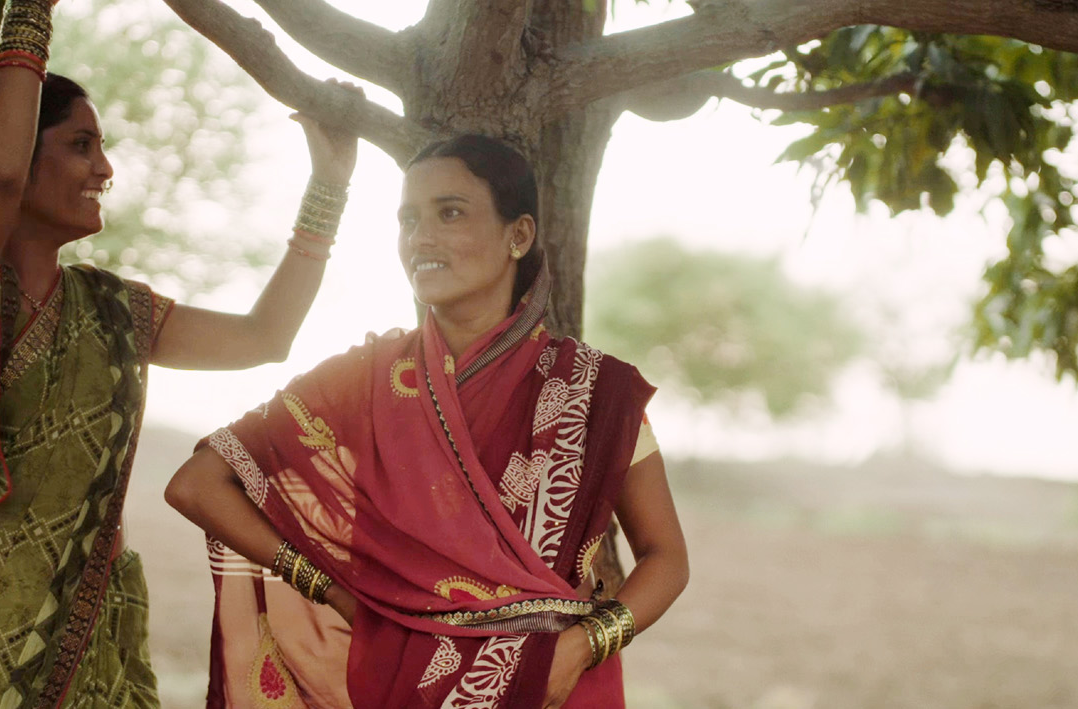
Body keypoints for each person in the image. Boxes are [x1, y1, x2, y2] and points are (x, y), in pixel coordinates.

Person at [0, 0, 362, 702]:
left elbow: (263, 338)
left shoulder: (114, 312)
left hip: (89, 647)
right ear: (20, 151)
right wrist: (30, 10)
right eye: (81, 144)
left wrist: (329, 182)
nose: (105, 168)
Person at [166, 134, 691, 708]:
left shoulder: (590, 393)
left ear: (518, 235)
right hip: (399, 680)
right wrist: (336, 594)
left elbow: (666, 557)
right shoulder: (359, 383)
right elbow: (197, 485)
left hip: (552, 684)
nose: (421, 238)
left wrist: (583, 646)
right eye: (408, 219)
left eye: (450, 213)